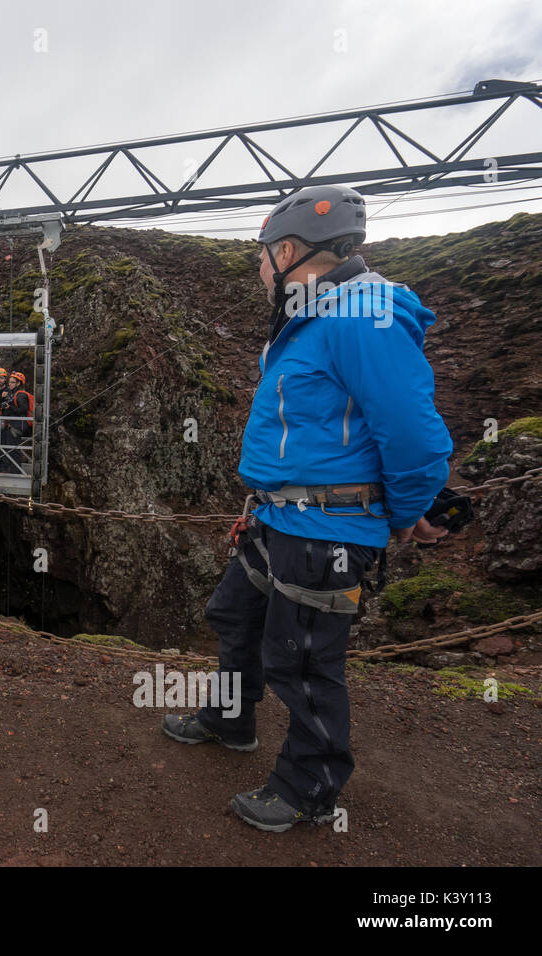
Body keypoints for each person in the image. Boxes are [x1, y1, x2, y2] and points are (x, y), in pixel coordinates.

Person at [160, 184, 453, 832]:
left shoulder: (362, 314)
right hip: (278, 517)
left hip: (327, 529)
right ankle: (233, 720)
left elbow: (414, 435)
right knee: (234, 615)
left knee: (304, 659)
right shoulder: (315, 318)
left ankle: (309, 789)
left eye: (263, 257)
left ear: (290, 251)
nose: (260, 269)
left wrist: (406, 511)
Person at [0, 371, 33, 473]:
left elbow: (23, 410)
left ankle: (16, 470)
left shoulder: (20, 395)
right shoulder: (13, 394)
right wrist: (2, 399)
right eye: (10, 382)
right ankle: (11, 469)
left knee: (13, 449)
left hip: (17, 426)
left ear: (18, 383)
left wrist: (10, 407)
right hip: (12, 424)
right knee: (9, 448)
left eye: (12, 382)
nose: (9, 384)